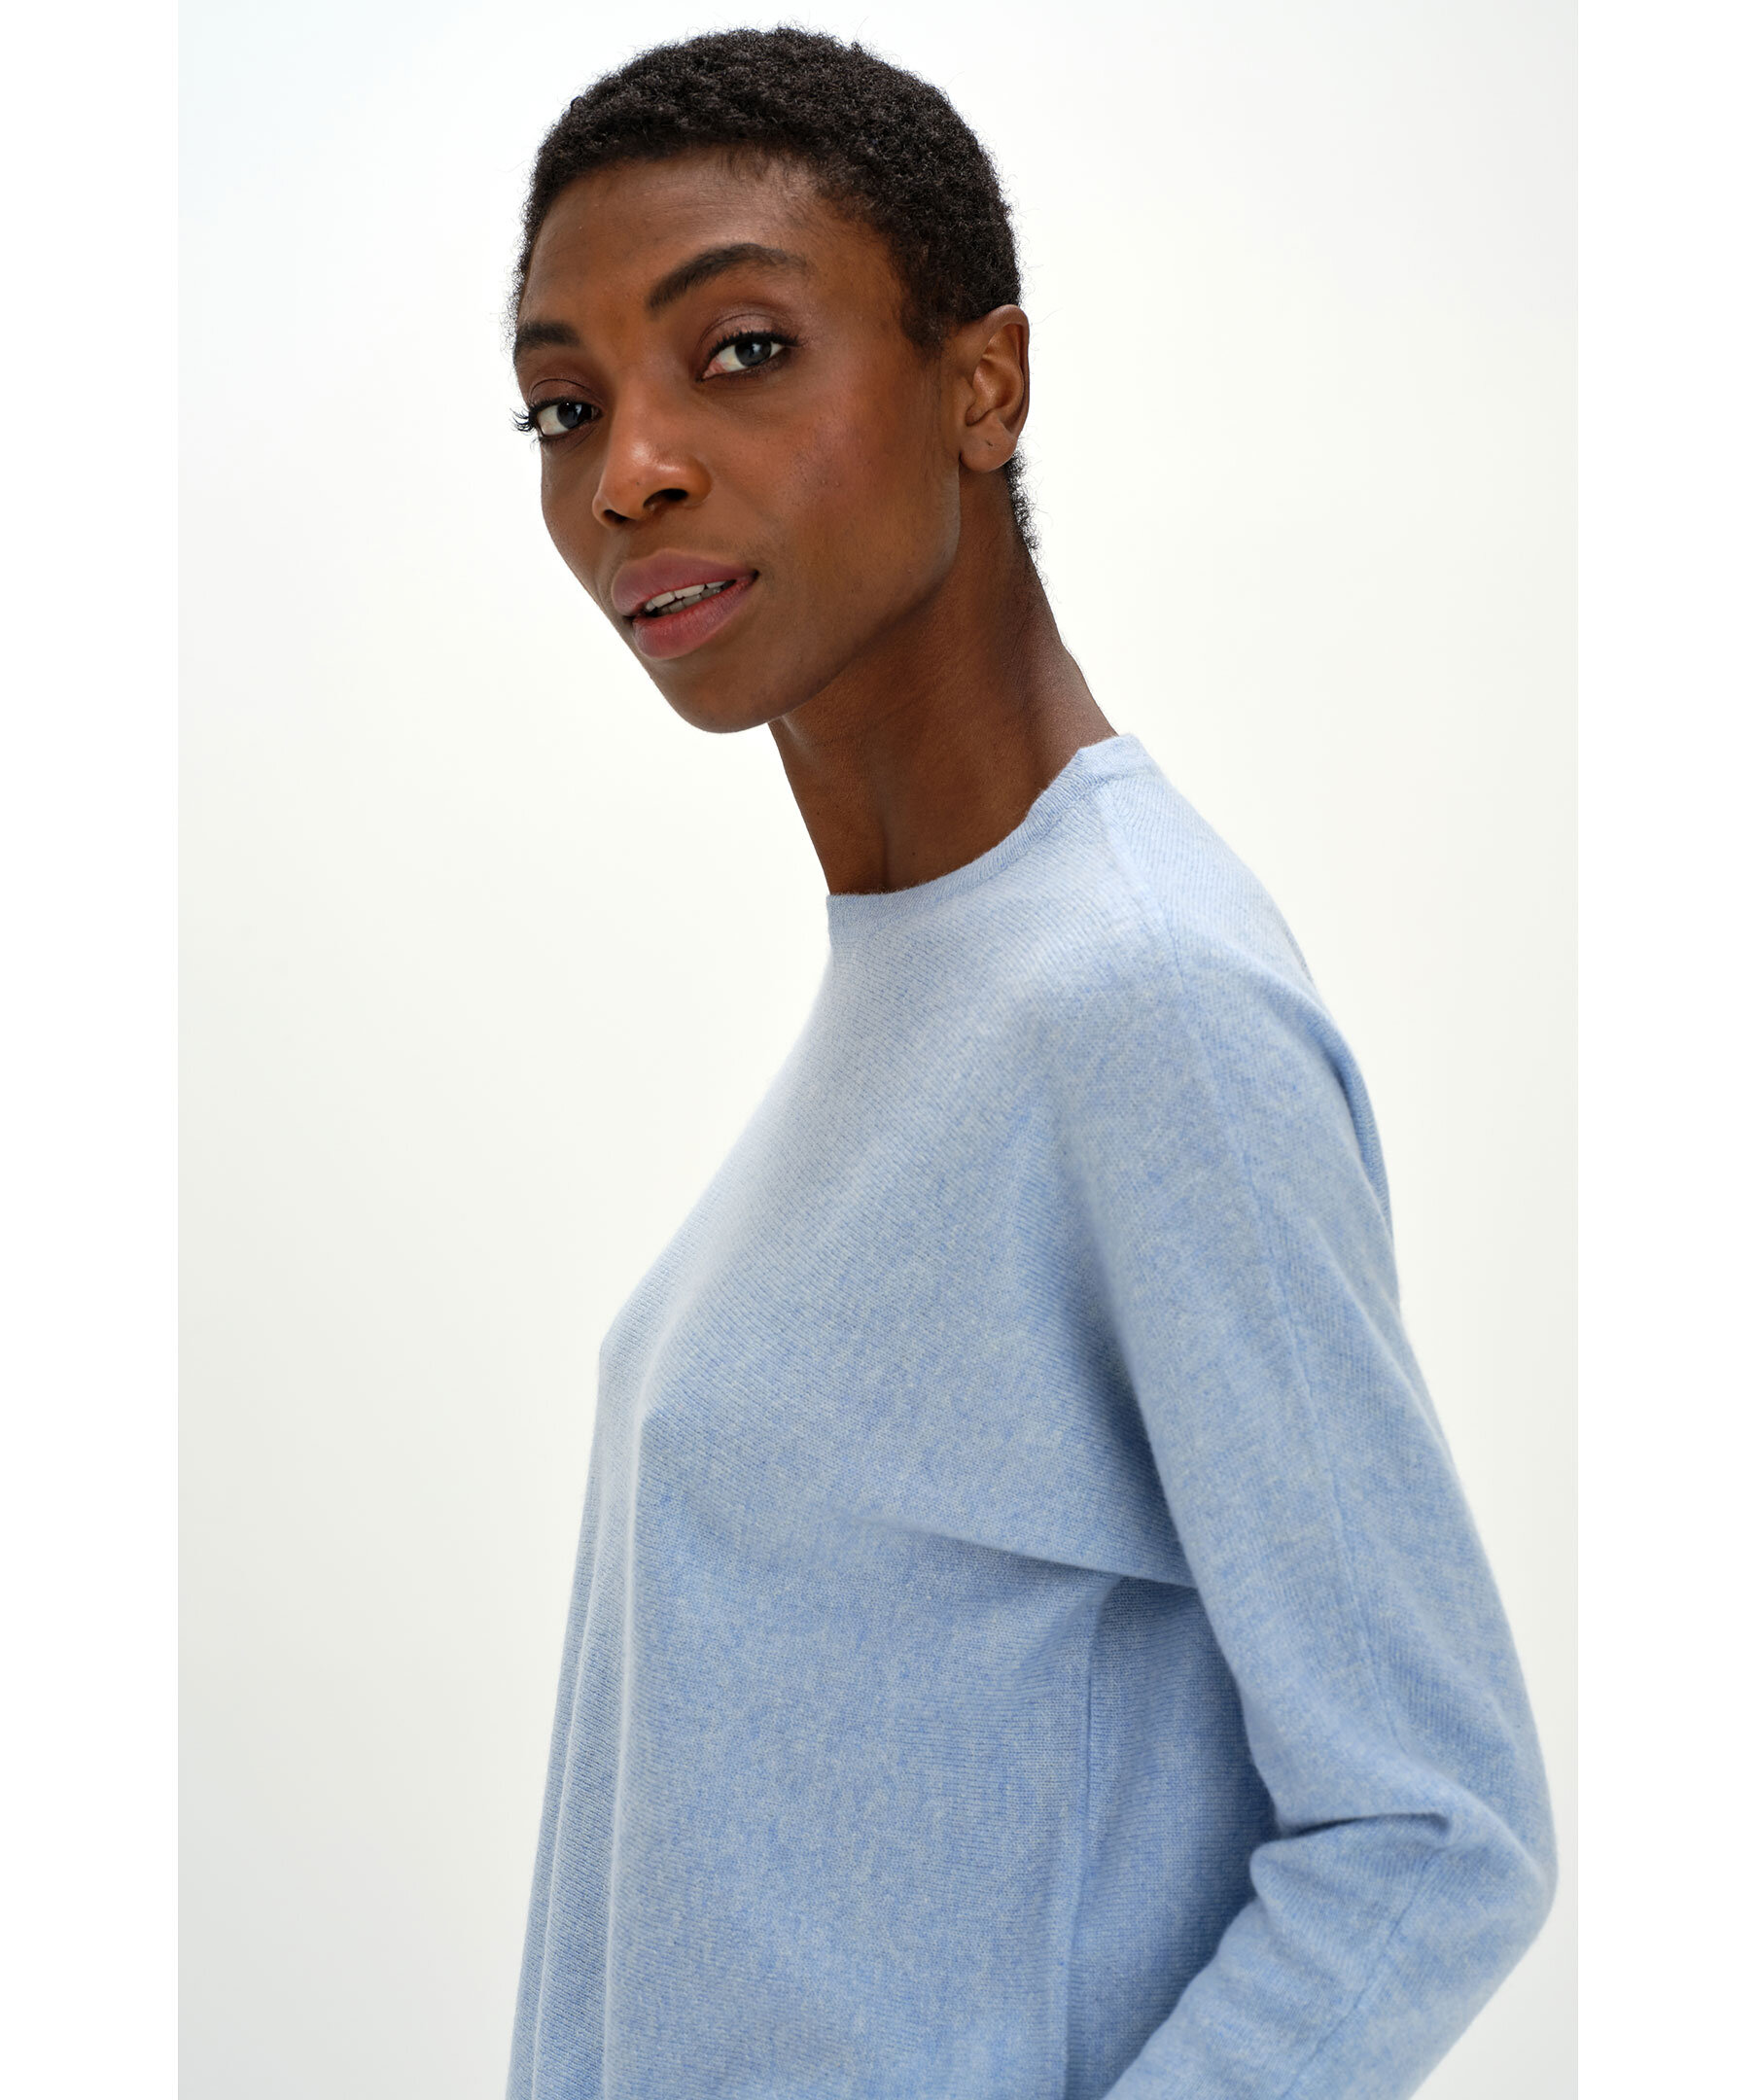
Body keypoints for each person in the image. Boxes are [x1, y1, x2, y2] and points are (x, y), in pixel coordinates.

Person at [505, 28, 1555, 2100]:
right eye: (565, 403)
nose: (627, 468)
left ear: (981, 387)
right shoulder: (930, 971)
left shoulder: (1139, 1003)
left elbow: (1436, 1836)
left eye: (738, 352)